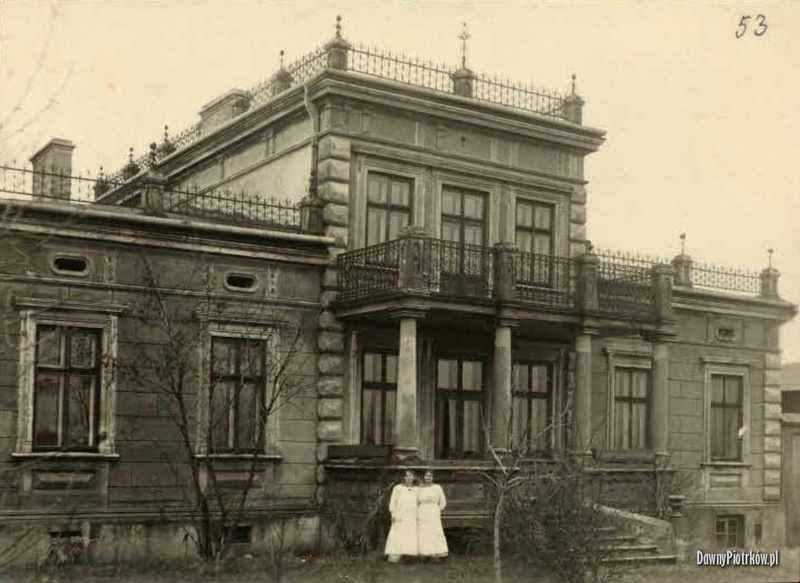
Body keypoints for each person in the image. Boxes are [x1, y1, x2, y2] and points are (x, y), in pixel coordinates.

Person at [384, 469, 418, 563]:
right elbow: (393, 502)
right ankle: (394, 557)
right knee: (397, 535)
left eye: (411, 476)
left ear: (413, 477)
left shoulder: (416, 489)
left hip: (411, 516)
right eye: (407, 476)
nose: (409, 478)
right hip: (400, 516)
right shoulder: (398, 488)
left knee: (410, 535)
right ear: (404, 477)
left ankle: (409, 556)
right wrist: (393, 514)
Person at [417, 469, 448, 560]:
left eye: (430, 476)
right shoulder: (419, 488)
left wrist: (437, 510)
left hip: (433, 512)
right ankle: (425, 554)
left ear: (433, 478)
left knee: (435, 532)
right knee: (424, 533)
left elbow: (443, 502)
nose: (428, 478)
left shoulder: (437, 488)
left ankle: (438, 554)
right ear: (424, 477)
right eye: (426, 476)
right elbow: (416, 502)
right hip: (422, 512)